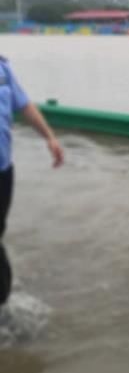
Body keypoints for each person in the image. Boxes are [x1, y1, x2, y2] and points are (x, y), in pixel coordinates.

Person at [0, 56, 64, 307]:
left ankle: (4, 308)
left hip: (3, 170)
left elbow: (24, 105)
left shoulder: (3, 68)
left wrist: (49, 137)